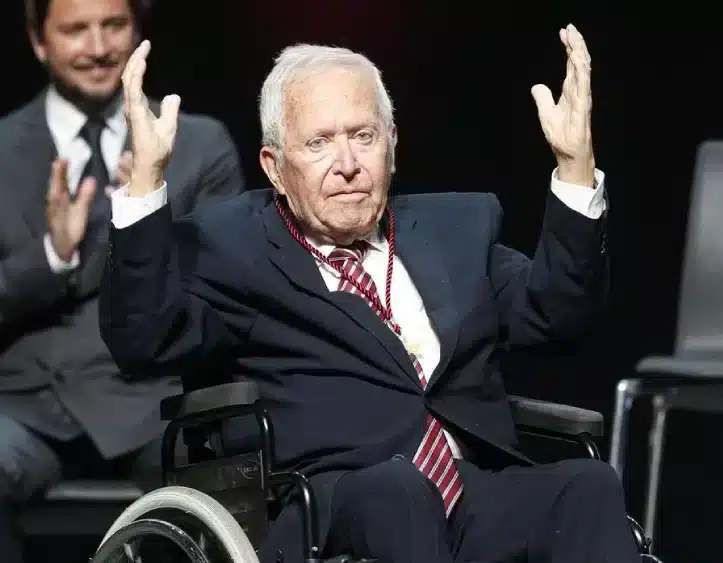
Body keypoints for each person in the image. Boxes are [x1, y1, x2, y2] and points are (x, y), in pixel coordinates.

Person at [101, 25, 638, 563]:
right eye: (318, 143)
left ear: (392, 145)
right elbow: (144, 340)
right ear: (275, 168)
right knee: (400, 493)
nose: (347, 164)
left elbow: (557, 313)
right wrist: (146, 180)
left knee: (588, 485)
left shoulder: (456, 230)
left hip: (471, 492)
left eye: (363, 136)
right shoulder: (233, 247)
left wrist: (575, 166)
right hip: (334, 503)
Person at [0, 1, 244, 561]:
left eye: (113, 26)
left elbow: (226, 296)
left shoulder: (198, 144)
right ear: (38, 40)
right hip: (27, 406)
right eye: (75, 30)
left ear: (137, 32)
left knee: (220, 475)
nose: (98, 48)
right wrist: (51, 257)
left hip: (151, 403)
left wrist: (146, 211)